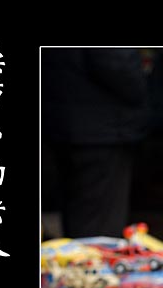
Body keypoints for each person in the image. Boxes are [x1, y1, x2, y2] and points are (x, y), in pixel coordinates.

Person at [41, 48, 152, 239]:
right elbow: (117, 64)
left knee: (81, 219)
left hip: (66, 122)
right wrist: (144, 85)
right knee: (98, 232)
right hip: (100, 129)